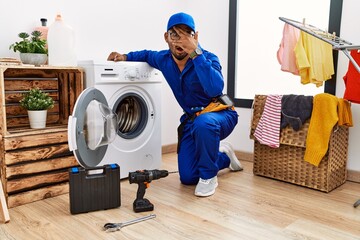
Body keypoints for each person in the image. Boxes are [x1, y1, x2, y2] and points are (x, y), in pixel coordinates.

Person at [107, 12, 243, 197]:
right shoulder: (164, 59)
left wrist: (195, 53)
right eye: (175, 34)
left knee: (204, 124)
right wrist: (124, 56)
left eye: (187, 34)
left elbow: (215, 89)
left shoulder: (209, 57)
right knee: (187, 177)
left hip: (220, 115)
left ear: (195, 37)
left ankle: (210, 176)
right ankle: (223, 157)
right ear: (166, 37)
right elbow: (147, 55)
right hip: (191, 122)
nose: (180, 41)